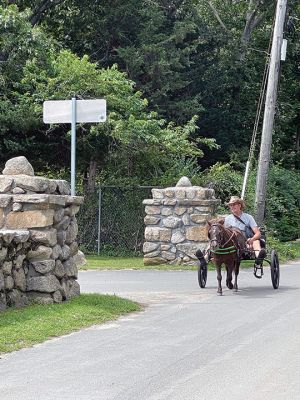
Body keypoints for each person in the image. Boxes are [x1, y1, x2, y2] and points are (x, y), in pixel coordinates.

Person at [196, 196, 266, 268]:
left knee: (256, 242)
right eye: (230, 205)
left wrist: (252, 239)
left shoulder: (248, 217)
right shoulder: (227, 219)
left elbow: (258, 233)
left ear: (239, 205)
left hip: (245, 240)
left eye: (234, 204)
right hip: (232, 243)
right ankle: (205, 258)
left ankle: (258, 260)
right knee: (214, 240)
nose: (232, 207)